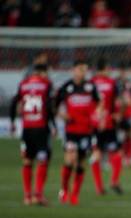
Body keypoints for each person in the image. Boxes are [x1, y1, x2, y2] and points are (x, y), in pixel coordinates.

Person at [55, 60, 101, 206]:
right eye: (81, 69)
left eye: (85, 70)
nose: (83, 72)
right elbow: (54, 105)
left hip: (86, 130)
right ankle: (63, 190)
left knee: (80, 163)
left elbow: (99, 102)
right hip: (71, 130)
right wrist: (63, 116)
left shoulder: (90, 87)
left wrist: (97, 113)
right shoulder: (66, 87)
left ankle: (75, 195)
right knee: (69, 160)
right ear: (74, 70)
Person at [10, 63, 55, 206]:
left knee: (27, 161)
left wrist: (12, 121)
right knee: (43, 160)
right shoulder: (46, 84)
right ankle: (38, 195)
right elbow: (48, 106)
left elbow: (13, 102)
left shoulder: (23, 84)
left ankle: (27, 196)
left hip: (27, 128)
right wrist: (53, 125)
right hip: (41, 128)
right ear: (43, 72)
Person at [90, 58, 124, 195]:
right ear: (104, 69)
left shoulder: (90, 84)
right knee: (116, 153)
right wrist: (118, 114)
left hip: (94, 124)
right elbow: (119, 102)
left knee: (96, 154)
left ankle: (99, 188)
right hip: (109, 123)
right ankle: (114, 180)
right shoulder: (111, 83)